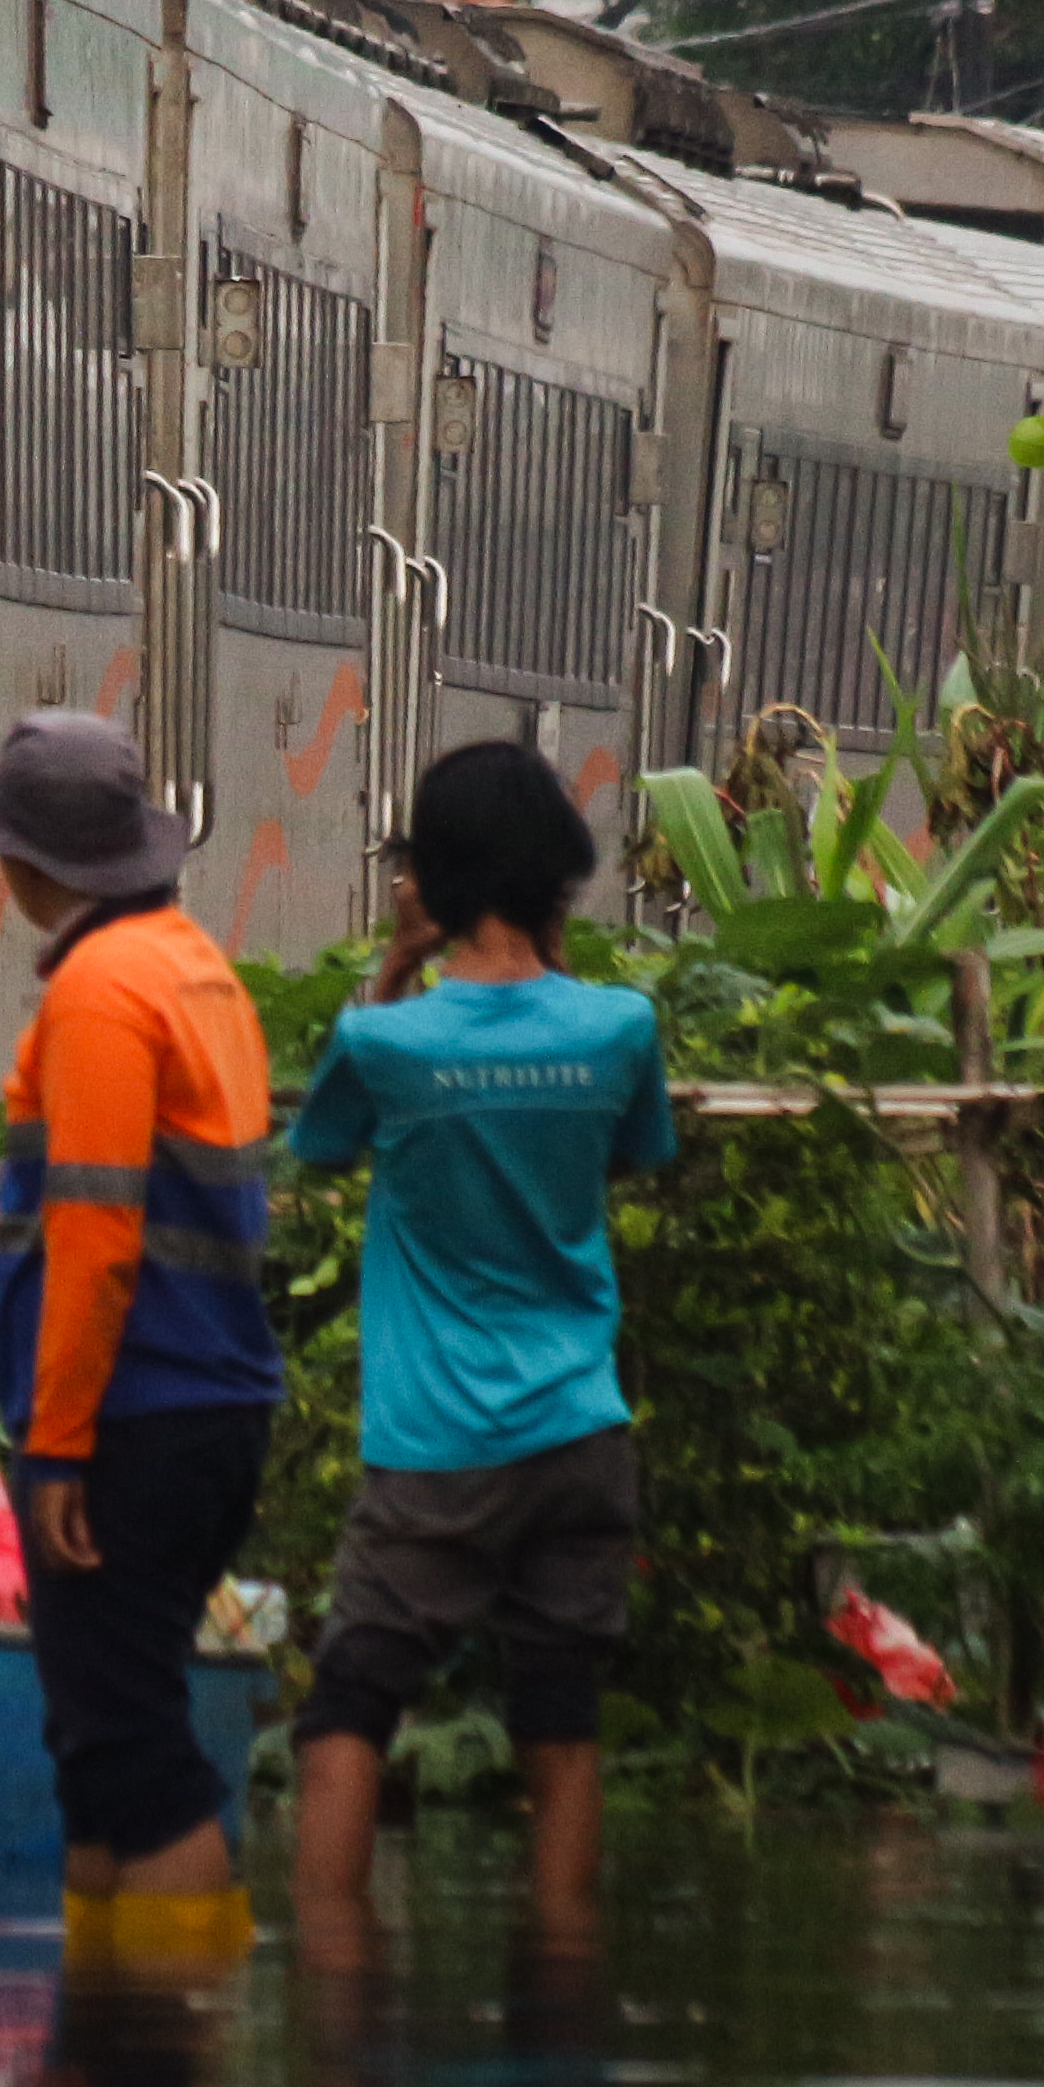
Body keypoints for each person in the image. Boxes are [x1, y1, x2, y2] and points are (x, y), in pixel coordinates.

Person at [0, 710, 280, 1955]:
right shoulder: (191, 967)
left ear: (29, 868)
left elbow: (97, 1242)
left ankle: (180, 2031)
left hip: (135, 1418)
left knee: (133, 1745)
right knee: (96, 1739)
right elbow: (127, 1195)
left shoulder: (96, 994)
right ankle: (101, 2041)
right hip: (208, 1409)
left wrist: (65, 1447)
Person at [285, 740, 670, 1955]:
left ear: (429, 880)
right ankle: (564, 1986)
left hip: (435, 1445)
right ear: (560, 878)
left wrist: (398, 959)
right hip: (578, 1424)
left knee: (350, 1706)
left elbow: (324, 1149)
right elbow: (634, 1154)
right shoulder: (621, 1028)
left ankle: (338, 1991)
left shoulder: (388, 1044)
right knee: (562, 1724)